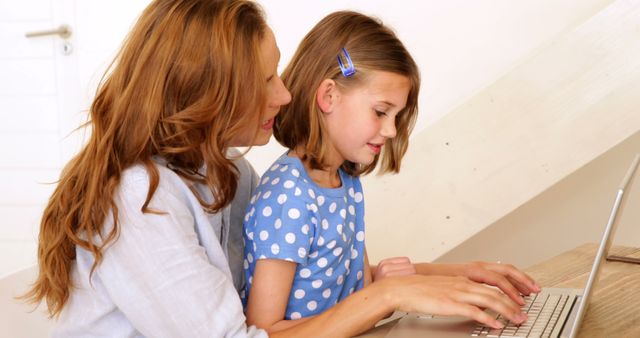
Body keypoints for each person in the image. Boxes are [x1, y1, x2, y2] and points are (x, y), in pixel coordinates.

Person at [23, 1, 538, 337]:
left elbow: (317, 279)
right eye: (266, 78)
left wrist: (452, 276)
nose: (286, 94)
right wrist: (390, 293)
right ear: (212, 91)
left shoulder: (232, 176)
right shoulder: (137, 200)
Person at [242, 11, 541, 336]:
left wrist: (466, 274)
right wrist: (383, 295)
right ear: (329, 96)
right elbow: (265, 331)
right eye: (381, 111)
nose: (390, 130)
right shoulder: (289, 196)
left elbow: (354, 290)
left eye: (396, 117)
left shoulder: (342, 180)